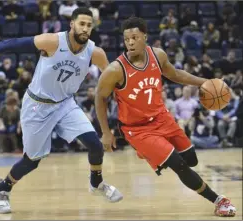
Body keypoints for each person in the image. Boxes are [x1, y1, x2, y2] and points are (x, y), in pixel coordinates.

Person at [0, 7, 123, 214]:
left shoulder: (95, 52)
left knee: (95, 145)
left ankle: (96, 183)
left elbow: (112, 83)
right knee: (32, 161)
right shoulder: (52, 41)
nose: (85, 28)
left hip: (65, 104)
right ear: (72, 24)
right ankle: (2, 189)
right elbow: (14, 44)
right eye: (81, 24)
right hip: (37, 105)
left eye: (89, 25)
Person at [95, 16, 236, 217]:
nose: (131, 42)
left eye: (135, 37)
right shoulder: (115, 70)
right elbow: (100, 98)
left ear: (145, 36)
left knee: (191, 160)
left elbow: (176, 75)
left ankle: (151, 153)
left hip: (162, 117)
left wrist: (206, 82)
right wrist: (105, 132)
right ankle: (219, 201)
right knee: (178, 164)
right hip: (138, 129)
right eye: (127, 39)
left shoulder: (158, 56)